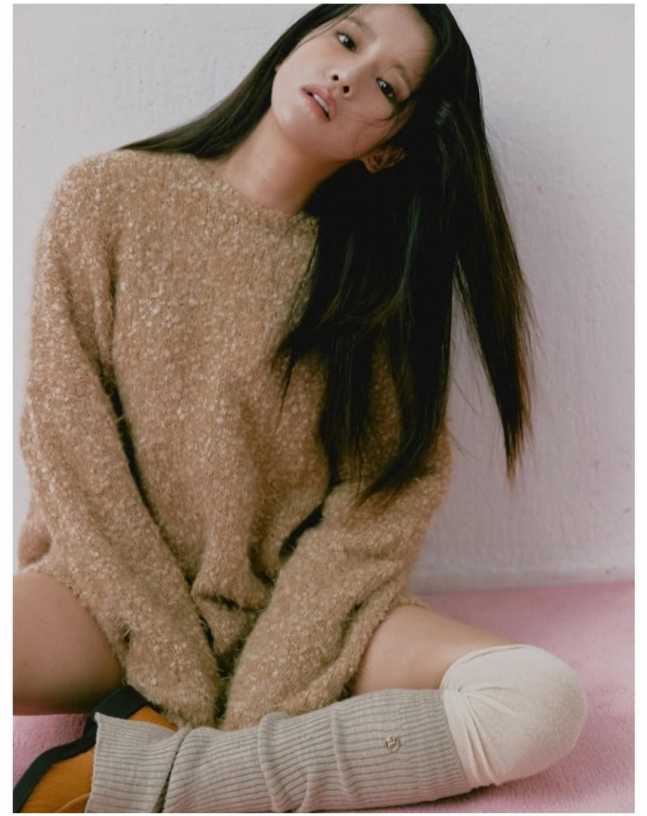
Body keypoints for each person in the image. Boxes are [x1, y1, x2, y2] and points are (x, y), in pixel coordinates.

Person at [14, 4, 589, 812]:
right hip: (106, 602)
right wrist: (179, 672)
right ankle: (200, 755)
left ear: (389, 147)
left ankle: (142, 781)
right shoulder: (104, 195)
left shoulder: (375, 285)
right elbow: (68, 442)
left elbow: (377, 504)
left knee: (539, 702)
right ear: (294, 45)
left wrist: (260, 698)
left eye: (386, 86)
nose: (348, 74)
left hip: (301, 617)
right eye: (345, 39)